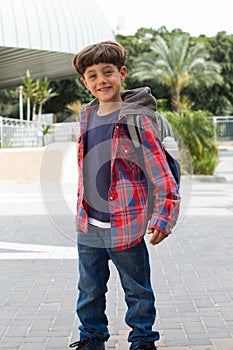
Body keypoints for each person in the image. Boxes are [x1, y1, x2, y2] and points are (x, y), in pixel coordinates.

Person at [70, 41, 181, 350]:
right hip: (89, 224)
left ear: (122, 74)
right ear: (85, 82)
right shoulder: (86, 117)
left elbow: (162, 173)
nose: (101, 81)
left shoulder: (138, 119)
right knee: (89, 289)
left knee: (137, 290)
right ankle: (91, 337)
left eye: (108, 72)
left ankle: (143, 340)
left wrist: (163, 216)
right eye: (92, 75)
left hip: (126, 226)